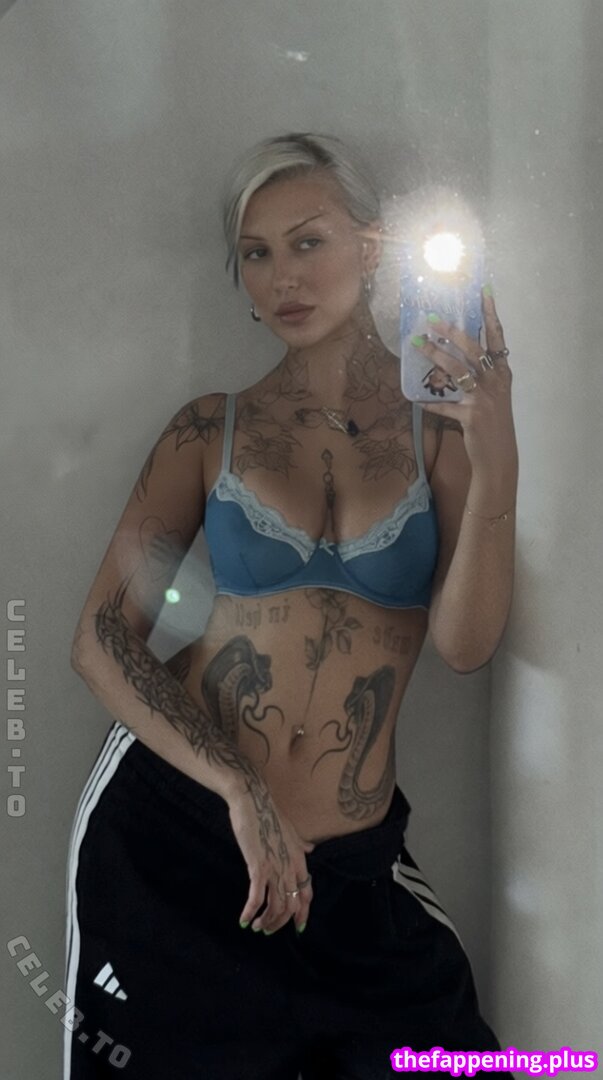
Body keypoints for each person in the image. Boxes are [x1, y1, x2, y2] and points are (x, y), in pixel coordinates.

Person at [63, 131, 518, 1079]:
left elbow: (465, 645)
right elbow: (101, 639)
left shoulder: (438, 435)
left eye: (308, 241)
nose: (283, 278)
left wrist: (495, 452)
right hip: (178, 841)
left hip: (351, 875)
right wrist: (240, 791)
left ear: (373, 248)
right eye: (257, 253)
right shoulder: (208, 429)